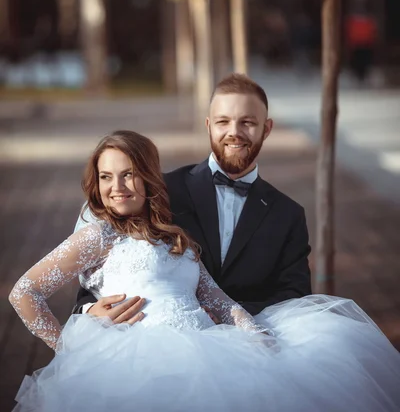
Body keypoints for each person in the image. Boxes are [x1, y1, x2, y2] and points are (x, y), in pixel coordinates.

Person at [9, 130, 400, 412]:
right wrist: (71, 350)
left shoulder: (175, 237)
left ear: (149, 176)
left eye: (128, 173)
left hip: (210, 353)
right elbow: (24, 293)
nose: (117, 186)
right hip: (141, 365)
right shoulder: (99, 234)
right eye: (106, 177)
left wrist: (256, 335)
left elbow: (217, 299)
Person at [75, 74, 312, 324]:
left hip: (251, 343)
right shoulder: (161, 190)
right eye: (223, 122)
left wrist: (229, 314)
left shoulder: (288, 215)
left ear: (267, 129)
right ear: (209, 125)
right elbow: (103, 267)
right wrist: (89, 309)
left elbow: (295, 297)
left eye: (248, 123)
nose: (234, 132)